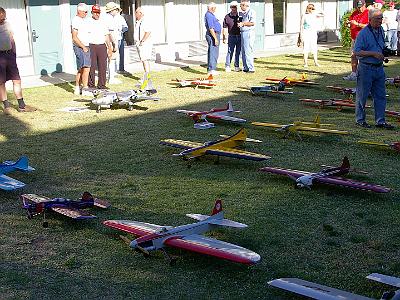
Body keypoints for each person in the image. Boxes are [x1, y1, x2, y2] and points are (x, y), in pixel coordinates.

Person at [354, 8, 394, 129]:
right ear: (370, 20)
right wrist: (373, 54)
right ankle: (360, 120)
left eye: (381, 19)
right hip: (366, 68)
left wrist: (384, 51)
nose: (380, 21)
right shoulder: (363, 33)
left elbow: (381, 45)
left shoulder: (381, 30)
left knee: (380, 95)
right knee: (362, 95)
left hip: (378, 68)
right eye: (377, 19)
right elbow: (356, 52)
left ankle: (380, 121)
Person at [0, 7, 36, 115]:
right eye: (1, 18)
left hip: (10, 55)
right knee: (1, 82)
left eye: (3, 17)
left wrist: (13, 52)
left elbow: (11, 38)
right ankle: (7, 107)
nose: (3, 19)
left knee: (16, 80)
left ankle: (21, 105)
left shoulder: (7, 24)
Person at [87, 4, 113, 90]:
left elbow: (106, 35)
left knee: (103, 66)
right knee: (92, 66)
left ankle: (101, 85)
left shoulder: (103, 22)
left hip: (102, 45)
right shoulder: (88, 22)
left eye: (98, 13)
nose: (97, 14)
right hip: (91, 45)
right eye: (95, 12)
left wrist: (109, 47)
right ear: (92, 12)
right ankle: (91, 85)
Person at [343, 0, 368, 81]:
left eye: (361, 6)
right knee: (353, 55)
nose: (360, 8)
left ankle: (363, 74)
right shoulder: (355, 13)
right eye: (358, 6)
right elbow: (351, 23)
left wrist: (357, 24)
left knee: (362, 56)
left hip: (363, 38)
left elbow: (369, 26)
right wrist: (348, 23)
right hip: (354, 37)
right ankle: (354, 74)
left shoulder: (368, 13)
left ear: (365, 5)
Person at [71, 3, 92, 96]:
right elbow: (74, 37)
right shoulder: (76, 20)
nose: (86, 13)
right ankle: (84, 88)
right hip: (80, 46)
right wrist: (83, 47)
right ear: (79, 11)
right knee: (85, 68)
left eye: (87, 12)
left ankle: (78, 87)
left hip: (86, 45)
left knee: (83, 68)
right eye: (85, 12)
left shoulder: (84, 20)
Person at [104, 2, 128, 84]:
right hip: (112, 40)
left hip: (116, 39)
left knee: (112, 58)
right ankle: (111, 78)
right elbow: (110, 32)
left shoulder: (114, 17)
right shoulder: (108, 18)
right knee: (112, 58)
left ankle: (111, 76)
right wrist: (114, 44)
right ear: (112, 10)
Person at [299, 3, 323, 68]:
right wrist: (301, 36)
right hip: (306, 33)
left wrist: (316, 10)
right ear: (307, 8)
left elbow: (323, 14)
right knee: (305, 48)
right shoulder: (304, 15)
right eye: (309, 8)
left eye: (312, 8)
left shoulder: (314, 15)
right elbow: (301, 26)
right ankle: (305, 63)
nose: (311, 10)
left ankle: (316, 62)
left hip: (313, 34)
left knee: (314, 48)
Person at [223, 1, 241, 72]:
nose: (234, 8)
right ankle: (227, 66)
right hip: (231, 36)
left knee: (238, 52)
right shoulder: (227, 16)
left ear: (237, 7)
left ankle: (236, 66)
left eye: (235, 7)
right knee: (230, 51)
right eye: (232, 7)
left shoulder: (240, 15)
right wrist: (224, 38)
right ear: (230, 7)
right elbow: (224, 28)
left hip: (240, 36)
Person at [134, 7, 153, 75]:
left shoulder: (144, 21)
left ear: (140, 13)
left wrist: (142, 41)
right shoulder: (138, 22)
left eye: (136, 12)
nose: (135, 14)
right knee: (143, 60)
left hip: (144, 44)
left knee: (144, 60)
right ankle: (146, 75)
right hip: (139, 43)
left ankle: (147, 77)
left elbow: (148, 32)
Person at [238, 0, 256, 73]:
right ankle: (245, 67)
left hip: (248, 32)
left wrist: (243, 24)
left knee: (248, 50)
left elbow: (252, 23)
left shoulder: (252, 12)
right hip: (242, 32)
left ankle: (251, 68)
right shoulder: (241, 13)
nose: (240, 7)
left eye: (241, 5)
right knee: (243, 51)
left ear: (246, 5)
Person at [204, 2, 221, 76]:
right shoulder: (209, 15)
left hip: (214, 34)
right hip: (213, 35)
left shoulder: (210, 15)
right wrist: (215, 38)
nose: (215, 9)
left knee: (213, 52)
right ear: (212, 8)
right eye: (215, 8)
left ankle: (212, 69)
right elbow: (211, 28)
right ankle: (211, 69)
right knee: (213, 52)